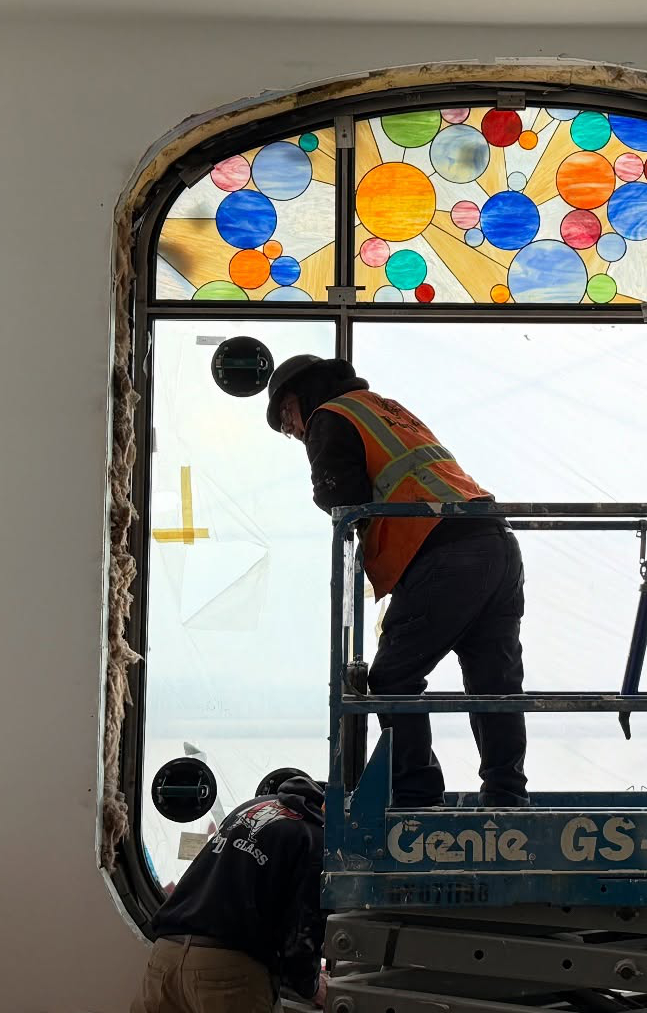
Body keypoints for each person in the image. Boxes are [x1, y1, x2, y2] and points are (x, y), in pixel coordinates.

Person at [265, 354, 529, 809]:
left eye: (287, 415)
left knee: (392, 677)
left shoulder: (330, 415)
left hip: (445, 551)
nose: (292, 430)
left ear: (304, 395)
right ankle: (505, 795)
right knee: (494, 680)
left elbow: (339, 496)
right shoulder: (385, 408)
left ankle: (415, 794)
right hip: (495, 540)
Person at [131, 773, 328, 1013]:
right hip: (228, 972)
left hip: (166, 958)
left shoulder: (251, 807)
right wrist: (312, 986)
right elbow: (302, 933)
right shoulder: (317, 839)